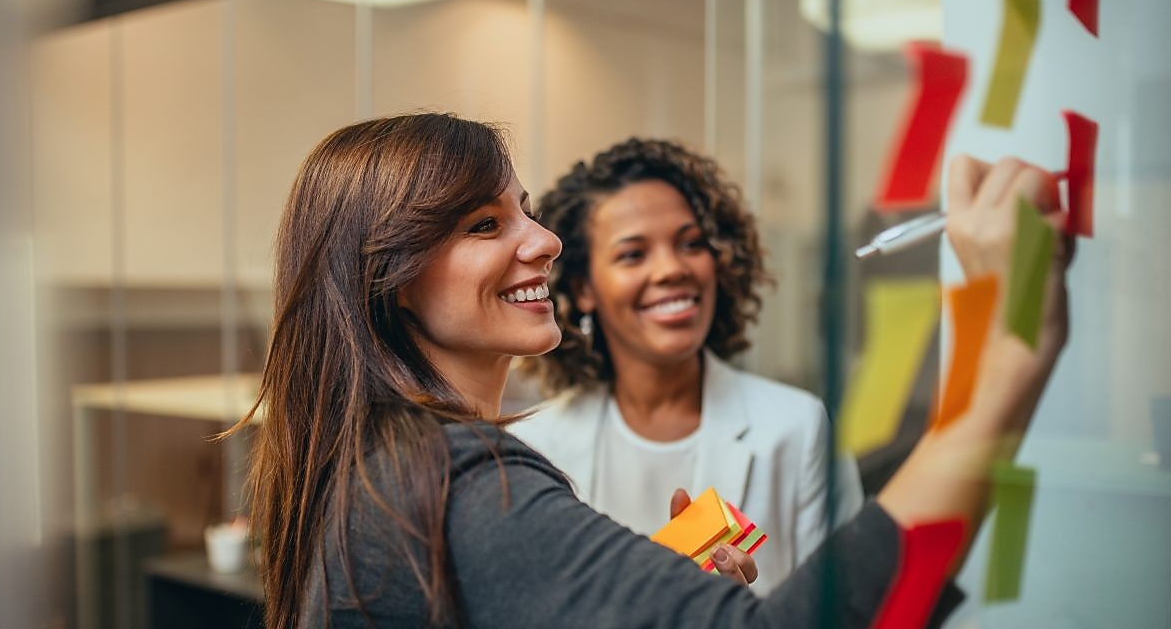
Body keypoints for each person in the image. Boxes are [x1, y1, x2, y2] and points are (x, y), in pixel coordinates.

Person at [231, 112, 1073, 629]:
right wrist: (1006, 361)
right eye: (485, 225)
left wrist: (660, 602)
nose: (545, 242)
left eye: (524, 210)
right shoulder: (455, 480)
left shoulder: (386, 466)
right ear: (393, 275)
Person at [511, 139, 863, 595]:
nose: (673, 269)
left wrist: (736, 618)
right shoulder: (533, 446)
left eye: (691, 243)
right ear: (582, 289)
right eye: (633, 254)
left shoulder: (796, 428)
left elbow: (855, 608)